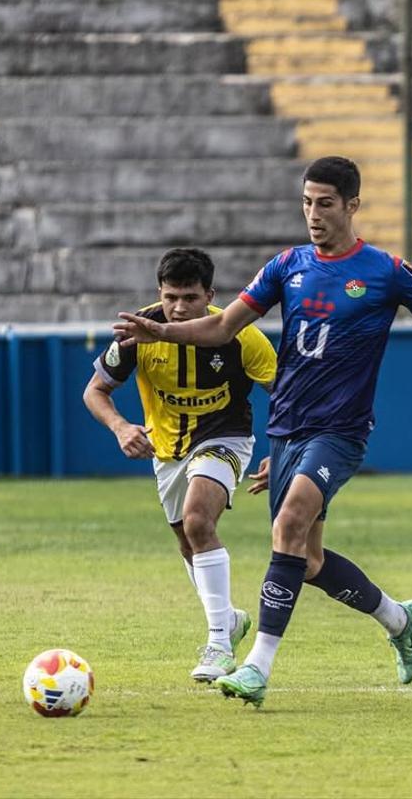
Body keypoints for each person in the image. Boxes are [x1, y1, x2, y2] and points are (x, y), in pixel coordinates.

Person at [114, 155, 412, 707]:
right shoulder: (286, 265)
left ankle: (256, 667)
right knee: (306, 559)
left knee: (286, 526)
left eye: (325, 203)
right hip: (287, 427)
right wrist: (160, 329)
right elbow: (220, 327)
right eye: (307, 202)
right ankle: (399, 618)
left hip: (341, 430)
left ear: (352, 206)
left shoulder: (385, 271)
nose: (313, 213)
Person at [84, 247, 277, 682]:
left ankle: (218, 645)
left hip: (225, 437)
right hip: (166, 450)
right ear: (159, 292)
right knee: (188, 542)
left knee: (197, 522)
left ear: (209, 295)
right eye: (171, 296)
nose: (178, 307)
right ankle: (227, 619)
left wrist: (282, 448)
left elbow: (283, 394)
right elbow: (95, 391)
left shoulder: (241, 334)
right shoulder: (136, 333)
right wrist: (120, 428)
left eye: (190, 297)